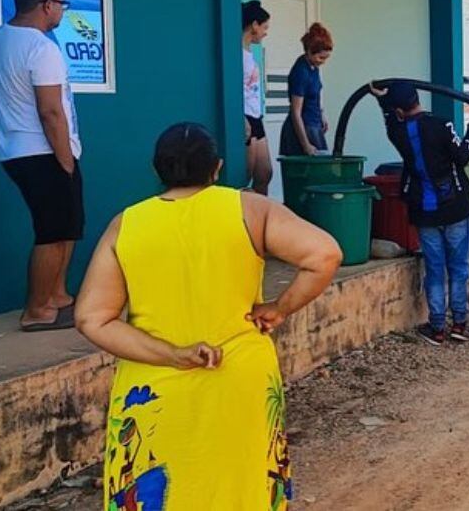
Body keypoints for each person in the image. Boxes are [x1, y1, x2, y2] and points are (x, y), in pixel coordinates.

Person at [75, 122, 342, 509]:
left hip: (155, 389)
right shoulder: (250, 209)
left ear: (156, 170)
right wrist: (278, 309)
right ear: (216, 169)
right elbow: (325, 255)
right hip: (239, 376)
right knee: (244, 485)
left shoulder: (126, 224)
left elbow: (91, 318)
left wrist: (173, 354)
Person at [0, 0, 82, 332]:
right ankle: (39, 309)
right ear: (45, 5)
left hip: (16, 150)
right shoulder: (42, 48)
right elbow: (51, 111)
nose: (62, 11)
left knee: (67, 225)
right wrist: (66, 159)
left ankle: (58, 296)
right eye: (60, 4)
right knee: (53, 231)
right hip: (45, 151)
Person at [371, 81, 469, 345]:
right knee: (458, 268)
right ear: (417, 99)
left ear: (399, 110)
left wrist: (381, 101)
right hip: (455, 207)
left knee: (435, 269)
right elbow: (462, 157)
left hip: (424, 212)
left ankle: (437, 328)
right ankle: (459, 324)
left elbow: (391, 119)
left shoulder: (399, 133)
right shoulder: (442, 125)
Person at [279, 23, 333, 157]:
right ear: (308, 51)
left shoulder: (313, 67)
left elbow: (315, 95)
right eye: (320, 57)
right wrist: (306, 145)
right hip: (303, 128)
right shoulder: (301, 72)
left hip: (313, 123)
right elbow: (296, 112)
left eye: (326, 58)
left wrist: (321, 114)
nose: (323, 61)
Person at [241, 0, 273, 194]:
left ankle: (262, 216)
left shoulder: (249, 53)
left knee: (265, 173)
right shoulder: (235, 53)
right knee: (245, 174)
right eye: (264, 27)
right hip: (245, 117)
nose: (265, 32)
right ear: (254, 25)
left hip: (256, 116)